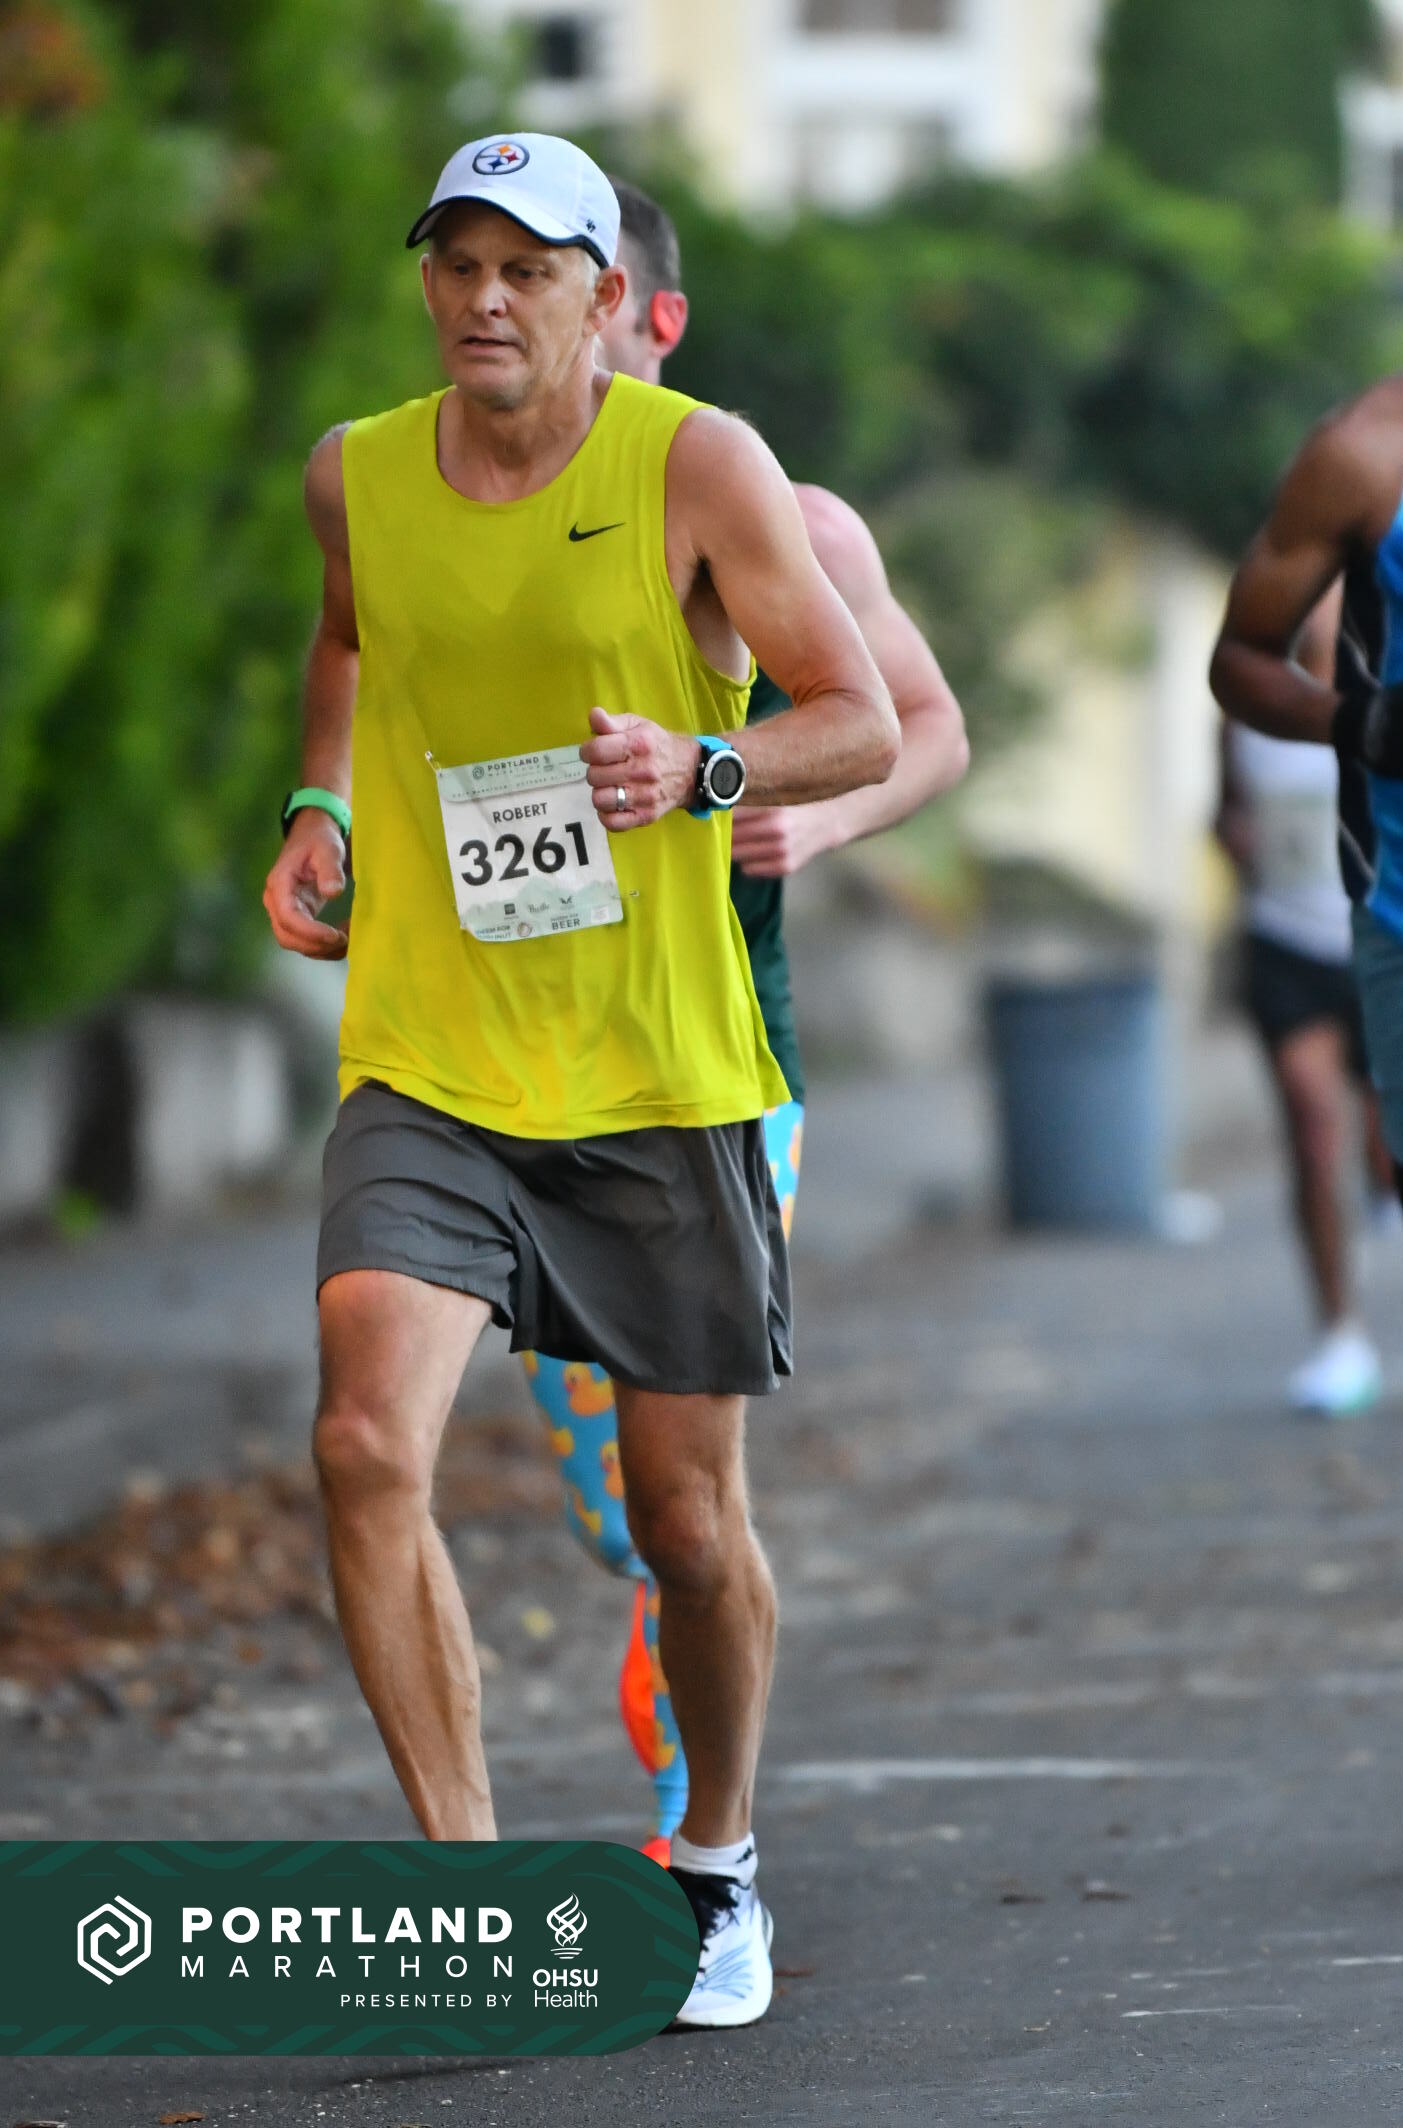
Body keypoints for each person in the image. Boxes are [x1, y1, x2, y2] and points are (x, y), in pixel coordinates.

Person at [262, 132, 901, 2030]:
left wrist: (705, 770)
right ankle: (466, 1905)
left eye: (527, 268)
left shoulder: (697, 466)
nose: (484, 298)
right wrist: (316, 802)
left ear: (606, 297)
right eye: (455, 262)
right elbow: (348, 638)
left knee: (682, 1525)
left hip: (653, 1068)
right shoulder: (356, 473)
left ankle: (715, 1860)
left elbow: (859, 717)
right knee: (363, 1442)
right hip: (432, 1049)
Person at [521, 177, 969, 1865]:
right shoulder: (463, 509)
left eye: (580, 291)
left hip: (724, 1055)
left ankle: (689, 1826)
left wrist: (820, 819)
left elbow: (926, 724)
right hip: (509, 1055)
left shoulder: (792, 522)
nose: (543, 323)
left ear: (651, 318)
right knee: (607, 1502)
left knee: (675, 1496)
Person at [1211, 359, 1403, 1296]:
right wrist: (1364, 725)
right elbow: (1240, 663)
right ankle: (1337, 1327)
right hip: (1398, 921)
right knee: (1318, 1124)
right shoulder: (1370, 452)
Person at [1215, 585, 1390, 1415]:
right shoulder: (1244, 714)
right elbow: (1223, 814)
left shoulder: (1391, 698)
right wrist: (1236, 836)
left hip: (1378, 944)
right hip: (1286, 942)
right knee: (1313, 1126)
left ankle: (1383, 1190)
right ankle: (1339, 1335)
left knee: (1386, 1149)